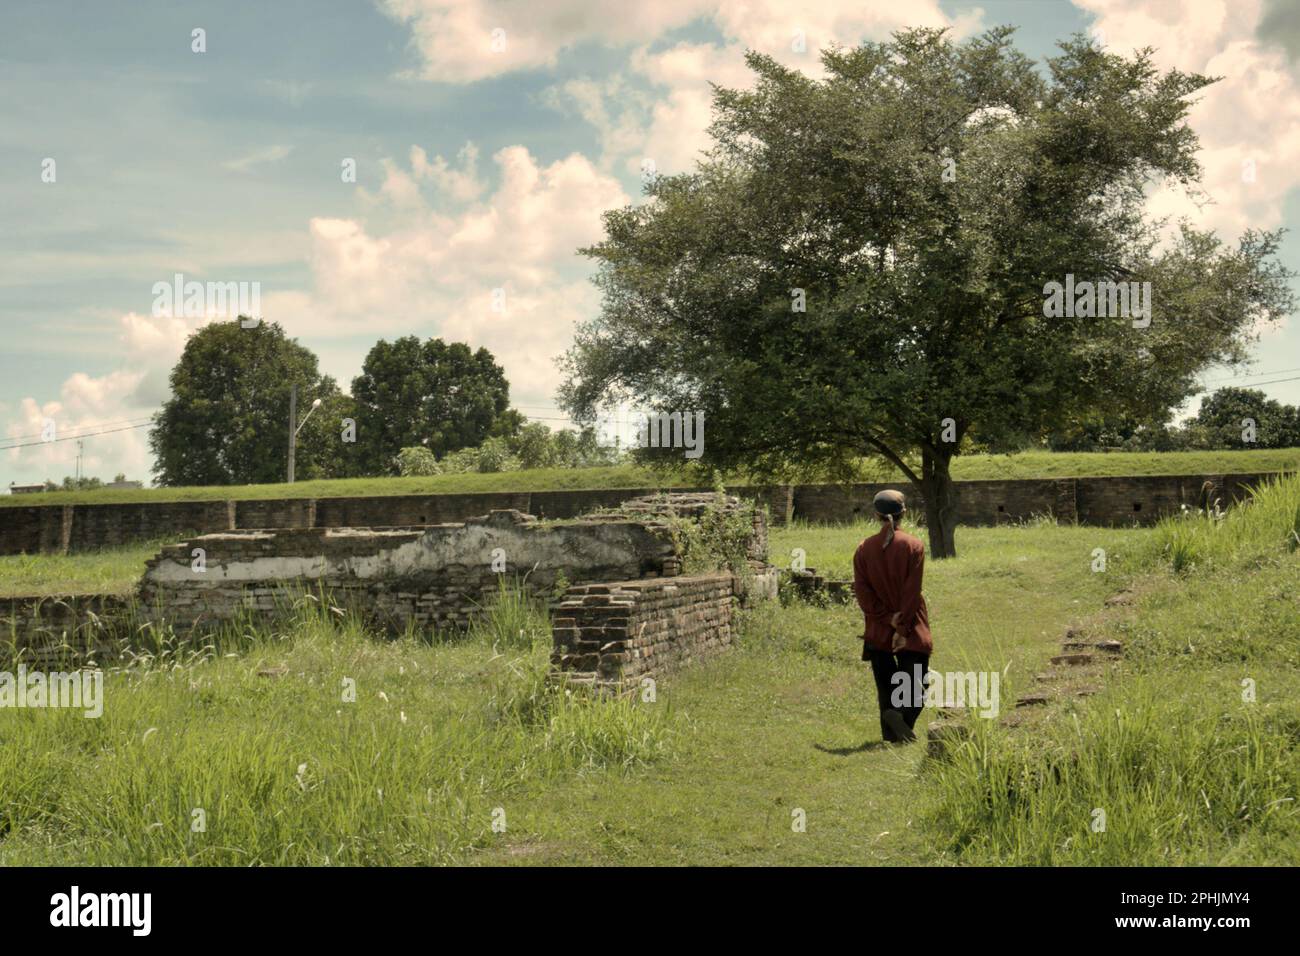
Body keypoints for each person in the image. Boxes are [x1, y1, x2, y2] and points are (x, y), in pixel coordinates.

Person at [852, 490, 933, 743]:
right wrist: (903, 627)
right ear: (904, 513)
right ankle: (899, 719)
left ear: (876, 515)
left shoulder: (863, 549)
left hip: (879, 627)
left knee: (886, 687)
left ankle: (893, 735)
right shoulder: (913, 546)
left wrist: (888, 620)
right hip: (911, 625)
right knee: (915, 687)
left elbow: (863, 595)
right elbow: (912, 591)